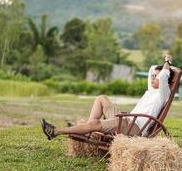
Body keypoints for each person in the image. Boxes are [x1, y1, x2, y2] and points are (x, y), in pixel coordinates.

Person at [41, 55, 174, 140]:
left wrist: (167, 62)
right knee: (101, 98)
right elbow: (152, 69)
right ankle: (89, 130)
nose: (152, 78)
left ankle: (56, 131)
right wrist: (157, 70)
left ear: (164, 79)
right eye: (152, 76)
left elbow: (163, 76)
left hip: (134, 128)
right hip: (127, 120)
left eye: (155, 76)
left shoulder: (163, 94)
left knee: (96, 124)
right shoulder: (151, 90)